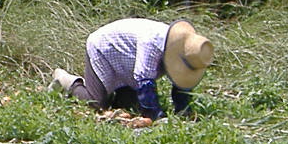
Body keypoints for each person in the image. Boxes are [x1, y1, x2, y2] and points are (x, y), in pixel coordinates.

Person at [48, 17, 212, 121]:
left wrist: (183, 111)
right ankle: (68, 81)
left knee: (125, 106)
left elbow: (180, 85)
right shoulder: (152, 43)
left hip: (128, 61)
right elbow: (144, 80)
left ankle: (106, 89)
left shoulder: (186, 51)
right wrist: (155, 116)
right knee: (97, 103)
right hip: (105, 47)